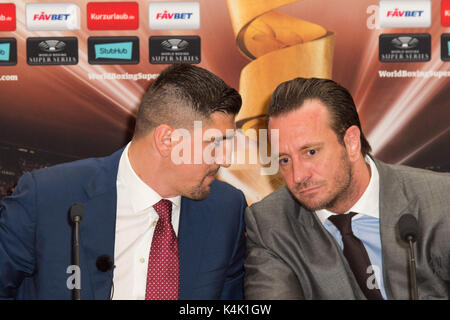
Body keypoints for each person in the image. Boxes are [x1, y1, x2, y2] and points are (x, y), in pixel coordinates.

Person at [0, 63, 247, 300]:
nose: (226, 159)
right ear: (167, 140)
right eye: (215, 143)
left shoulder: (226, 209)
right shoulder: (46, 198)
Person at [244, 77, 450, 300]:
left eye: (311, 152)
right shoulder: (271, 225)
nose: (298, 176)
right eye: (284, 160)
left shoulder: (441, 200)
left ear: (351, 142)